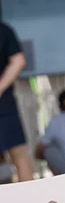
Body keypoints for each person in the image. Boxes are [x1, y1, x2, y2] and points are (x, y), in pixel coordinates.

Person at [0, 20, 32, 182]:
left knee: (19, 156)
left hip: (4, 107)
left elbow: (19, 61)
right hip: (4, 105)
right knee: (20, 156)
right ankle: (31, 201)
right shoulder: (4, 29)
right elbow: (18, 61)